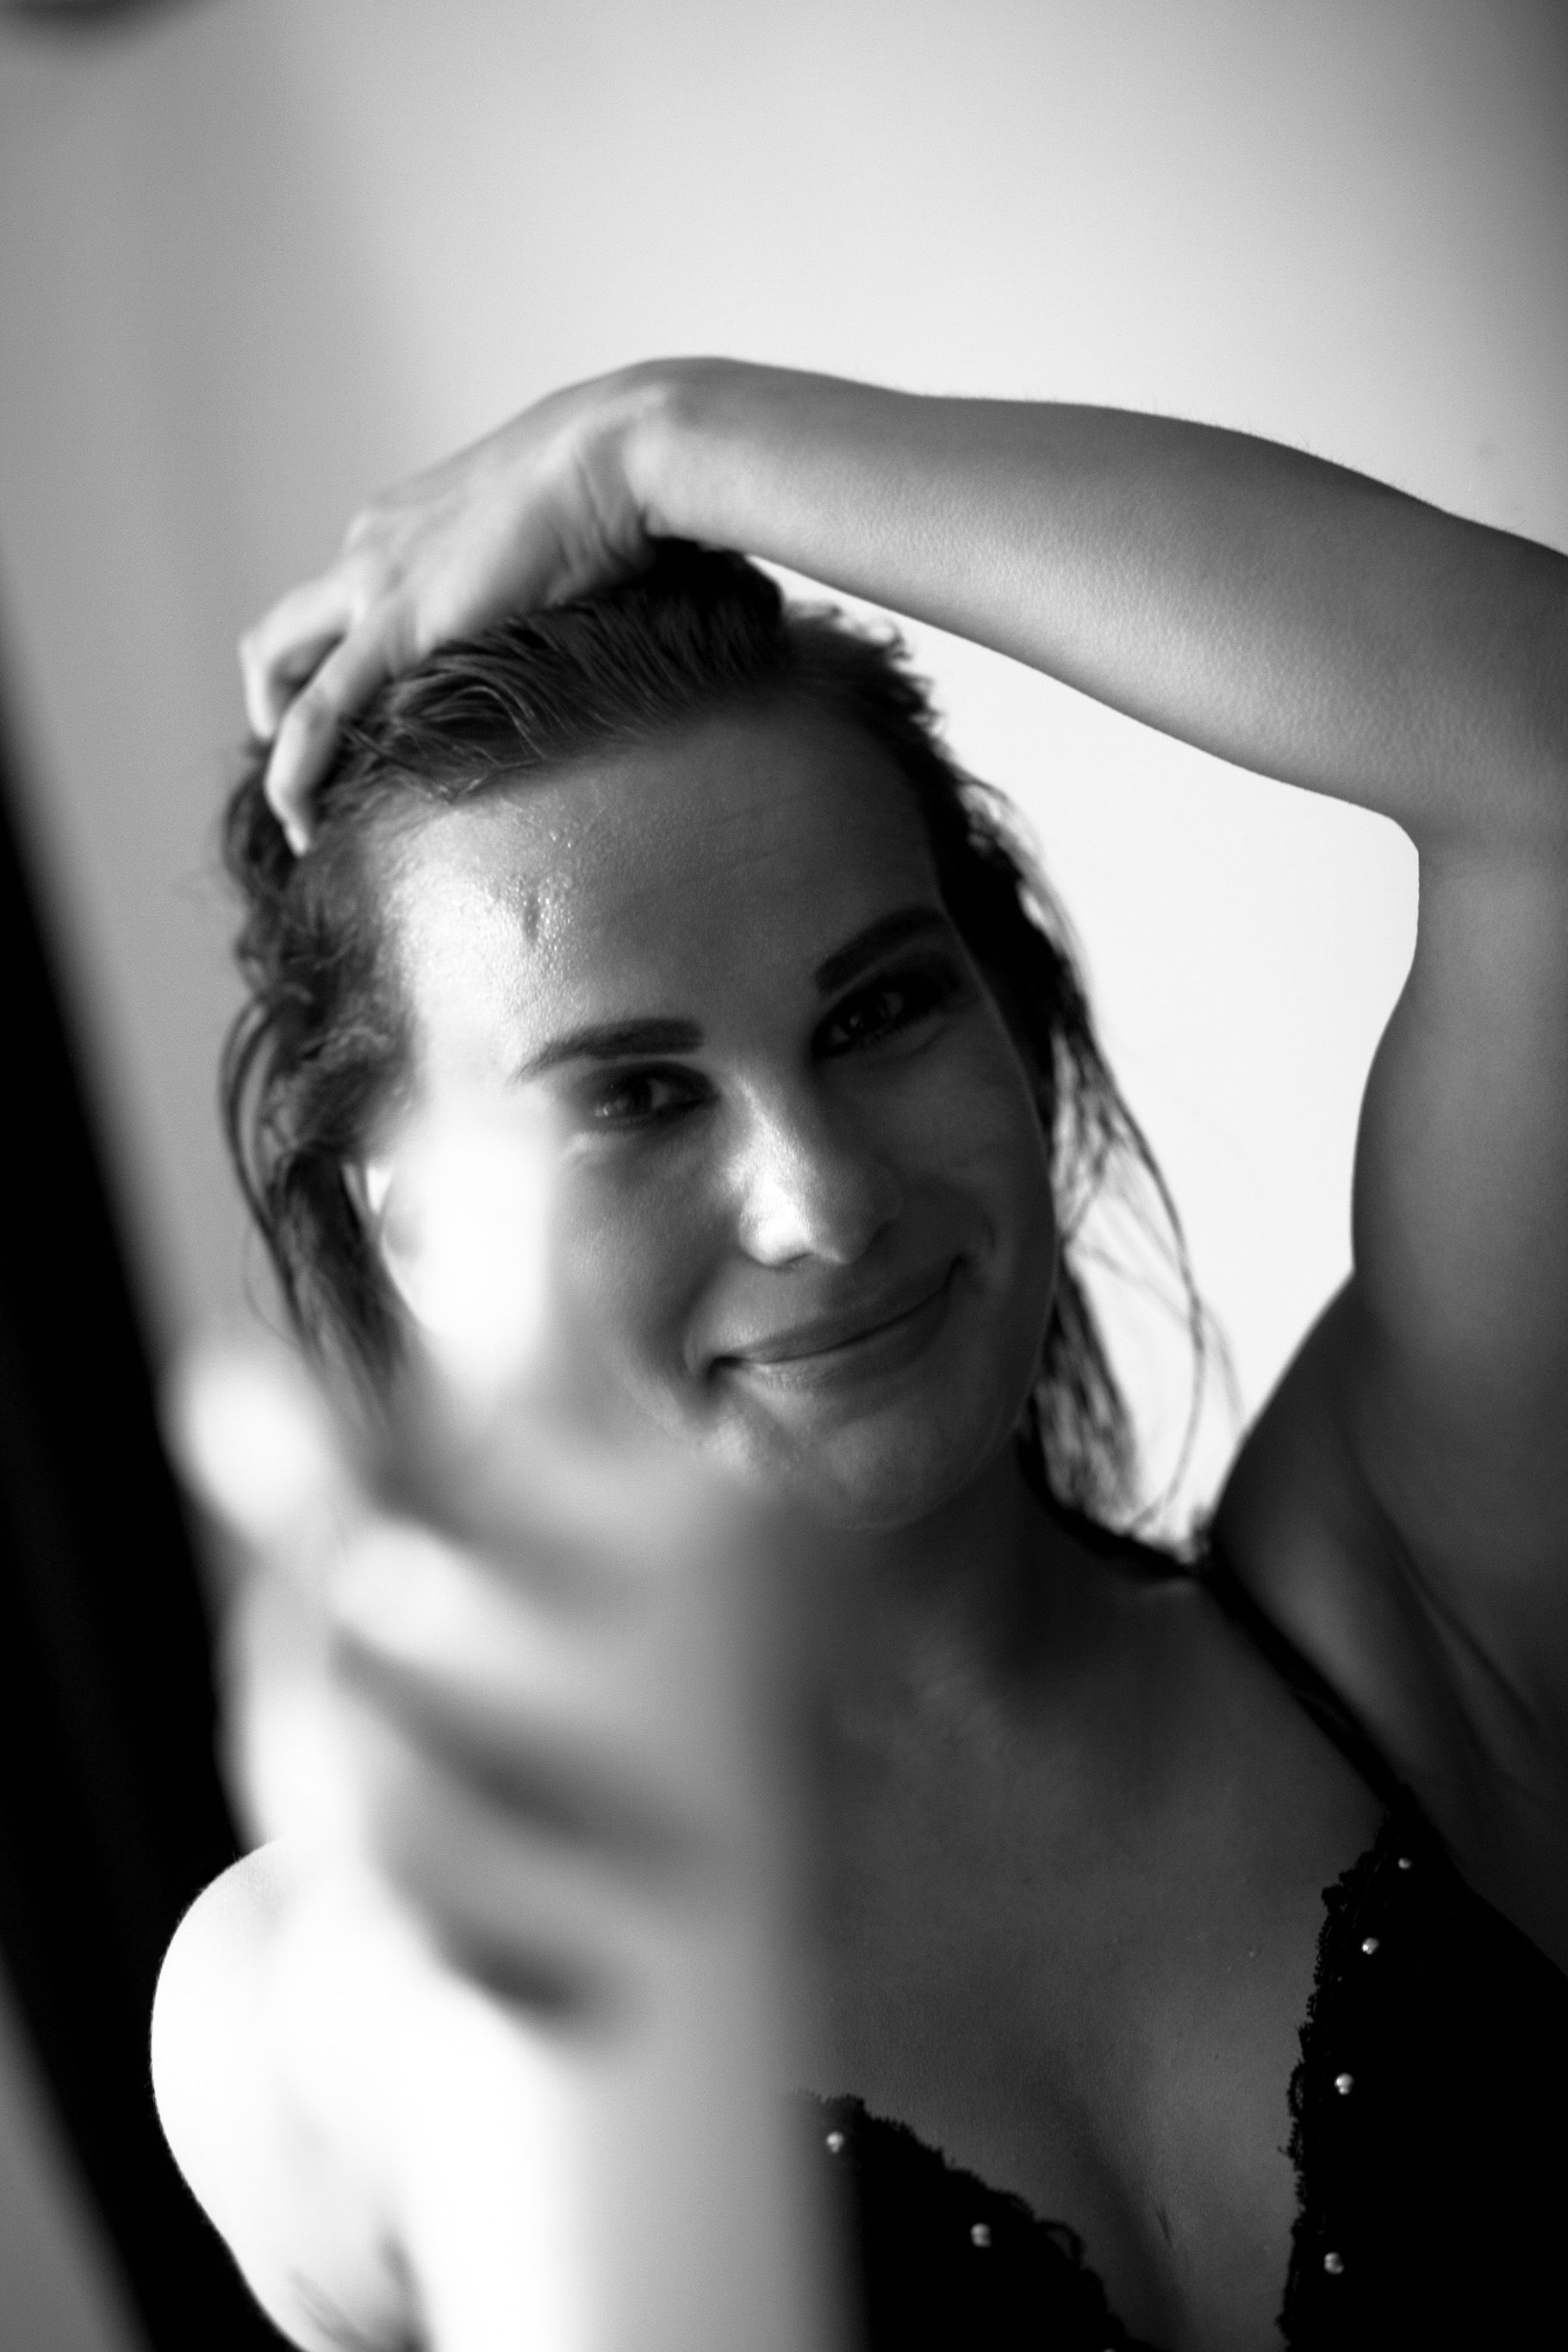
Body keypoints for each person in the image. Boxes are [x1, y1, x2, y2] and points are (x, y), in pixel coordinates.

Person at [152, 361, 1568, 2352]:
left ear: (1013, 1020)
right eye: (633, 1097)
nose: (817, 1202)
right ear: (414, 1227)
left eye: (880, 1008)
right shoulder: (325, 2005)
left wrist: (650, 437)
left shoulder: (1410, 1609)